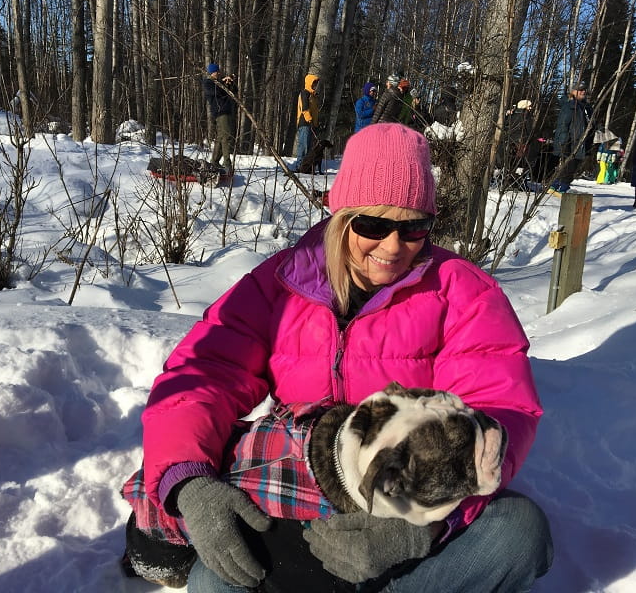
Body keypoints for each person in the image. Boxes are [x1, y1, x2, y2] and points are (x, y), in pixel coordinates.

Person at [127, 122, 554, 592]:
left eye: (414, 228)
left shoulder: (463, 292)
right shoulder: (280, 285)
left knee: (519, 532)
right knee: (213, 577)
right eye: (373, 224)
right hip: (302, 500)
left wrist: (419, 523)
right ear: (341, 216)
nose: (393, 247)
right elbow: (201, 375)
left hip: (403, 512)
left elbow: (498, 410)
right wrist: (190, 484)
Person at [549, 81, 593, 196]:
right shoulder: (569, 106)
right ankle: (559, 187)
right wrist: (563, 143)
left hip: (580, 142)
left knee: (573, 166)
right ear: (573, 91)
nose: (583, 92)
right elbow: (563, 125)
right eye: (580, 90)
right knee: (569, 166)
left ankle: (558, 186)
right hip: (570, 142)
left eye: (584, 90)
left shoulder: (585, 107)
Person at [202, 62, 237, 174]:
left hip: (226, 111)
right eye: (217, 71)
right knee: (226, 137)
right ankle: (227, 163)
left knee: (221, 137)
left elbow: (234, 91)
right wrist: (223, 83)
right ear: (212, 72)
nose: (219, 73)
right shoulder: (208, 82)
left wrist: (230, 83)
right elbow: (216, 91)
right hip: (220, 112)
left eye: (219, 71)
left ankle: (215, 161)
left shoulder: (219, 82)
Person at [292, 73, 320, 172]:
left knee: (308, 147)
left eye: (316, 83)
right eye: (314, 83)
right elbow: (305, 109)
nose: (315, 85)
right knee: (303, 146)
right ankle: (300, 166)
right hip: (305, 123)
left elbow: (315, 111)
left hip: (311, 124)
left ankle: (306, 166)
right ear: (309, 83)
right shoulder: (305, 93)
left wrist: (315, 123)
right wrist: (310, 120)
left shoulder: (313, 95)